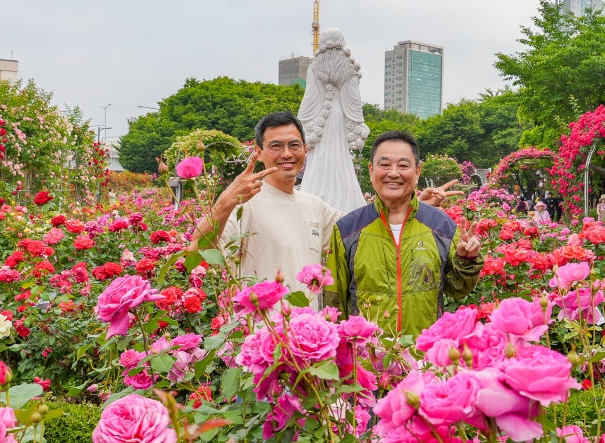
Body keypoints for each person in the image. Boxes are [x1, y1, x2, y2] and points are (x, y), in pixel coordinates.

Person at [188, 112, 457, 299]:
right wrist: (225, 202)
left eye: (294, 145)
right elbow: (197, 254)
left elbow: (362, 226)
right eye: (276, 146)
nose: (286, 154)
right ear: (258, 152)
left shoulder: (313, 205)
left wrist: (412, 204)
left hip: (309, 345)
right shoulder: (244, 204)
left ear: (305, 150)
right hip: (264, 341)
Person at [325, 131, 482, 336]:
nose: (393, 173)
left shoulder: (441, 226)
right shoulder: (348, 229)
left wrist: (466, 259)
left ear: (417, 172)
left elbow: (457, 289)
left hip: (423, 357)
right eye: (384, 164)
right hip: (367, 358)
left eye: (403, 165)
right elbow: (333, 300)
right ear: (371, 170)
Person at [296, 28, 370, 213]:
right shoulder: (349, 65)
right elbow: (353, 99)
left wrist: (303, 121)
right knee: (341, 157)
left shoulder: (316, 65)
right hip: (340, 115)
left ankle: (315, 195)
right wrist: (356, 122)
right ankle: (345, 198)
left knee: (319, 157)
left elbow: (310, 97)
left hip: (321, 115)